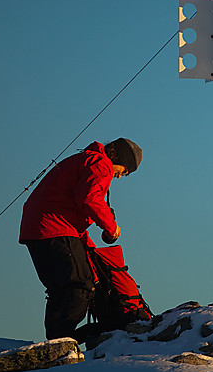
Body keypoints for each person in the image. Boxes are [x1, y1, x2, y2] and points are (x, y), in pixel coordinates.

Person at [19, 138, 142, 340]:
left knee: (61, 289)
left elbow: (73, 204)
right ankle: (62, 344)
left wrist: (89, 247)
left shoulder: (84, 160)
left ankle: (58, 342)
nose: (121, 175)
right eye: (126, 169)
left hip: (37, 230)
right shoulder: (100, 164)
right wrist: (111, 227)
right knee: (79, 287)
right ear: (118, 157)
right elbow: (90, 198)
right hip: (55, 228)